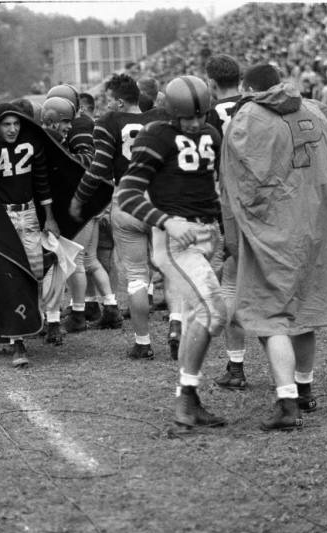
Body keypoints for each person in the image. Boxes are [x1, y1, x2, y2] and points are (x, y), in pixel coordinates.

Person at [220, 63, 327, 430]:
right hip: (318, 225)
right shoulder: (317, 110)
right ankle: (305, 390)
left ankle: (287, 402)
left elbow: (236, 184)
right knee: (305, 309)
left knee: (271, 315)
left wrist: (235, 233)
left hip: (275, 228)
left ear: (247, 87)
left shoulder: (247, 117)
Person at [0, 102, 112, 367]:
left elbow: (42, 182)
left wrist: (51, 218)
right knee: (9, 278)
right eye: (6, 124)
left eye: (16, 124)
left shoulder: (32, 144)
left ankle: (50, 319)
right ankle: (18, 342)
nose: (12, 129)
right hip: (1, 221)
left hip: (30, 215)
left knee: (46, 268)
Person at [117, 75, 227, 429]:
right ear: (173, 114)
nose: (196, 124)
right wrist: (166, 221)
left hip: (207, 232)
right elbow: (129, 195)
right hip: (176, 238)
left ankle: (189, 395)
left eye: (201, 116)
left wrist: (224, 229)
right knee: (215, 311)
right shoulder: (157, 136)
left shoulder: (211, 133)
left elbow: (213, 186)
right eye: (188, 118)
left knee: (199, 317)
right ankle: (185, 396)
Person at [69, 73, 167, 359]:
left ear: (120, 100)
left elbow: (98, 168)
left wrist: (80, 198)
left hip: (128, 200)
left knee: (136, 275)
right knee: (170, 269)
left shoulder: (109, 122)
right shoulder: (162, 118)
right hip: (162, 200)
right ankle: (176, 327)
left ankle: (143, 342)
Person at [41, 96, 120, 335]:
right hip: (89, 204)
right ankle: (108, 307)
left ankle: (77, 313)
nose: (69, 126)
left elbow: (83, 166)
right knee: (88, 260)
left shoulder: (77, 132)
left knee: (75, 261)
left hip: (82, 206)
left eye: (68, 121)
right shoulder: (75, 132)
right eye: (65, 122)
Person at [205, 54, 247, 390]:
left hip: (227, 204)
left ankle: (236, 366)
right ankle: (297, 381)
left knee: (230, 285)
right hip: (265, 204)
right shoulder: (257, 105)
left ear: (212, 83)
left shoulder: (208, 115)